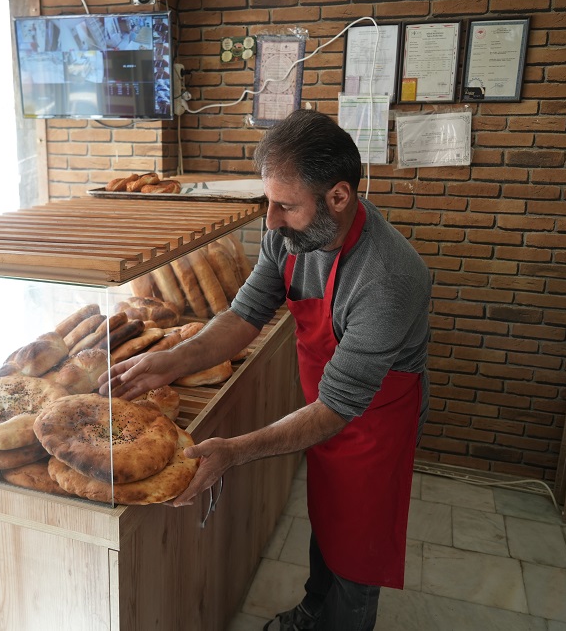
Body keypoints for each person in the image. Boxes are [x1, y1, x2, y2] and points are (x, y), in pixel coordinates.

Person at [99, 109, 431, 630]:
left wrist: (233, 452)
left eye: (285, 206)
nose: (270, 221)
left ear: (338, 197)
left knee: (359, 544)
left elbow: (339, 407)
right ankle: (313, 609)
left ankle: (342, 620)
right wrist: (169, 360)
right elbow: (243, 316)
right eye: (267, 202)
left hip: (373, 425)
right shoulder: (290, 237)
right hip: (325, 407)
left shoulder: (387, 277)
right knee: (327, 519)